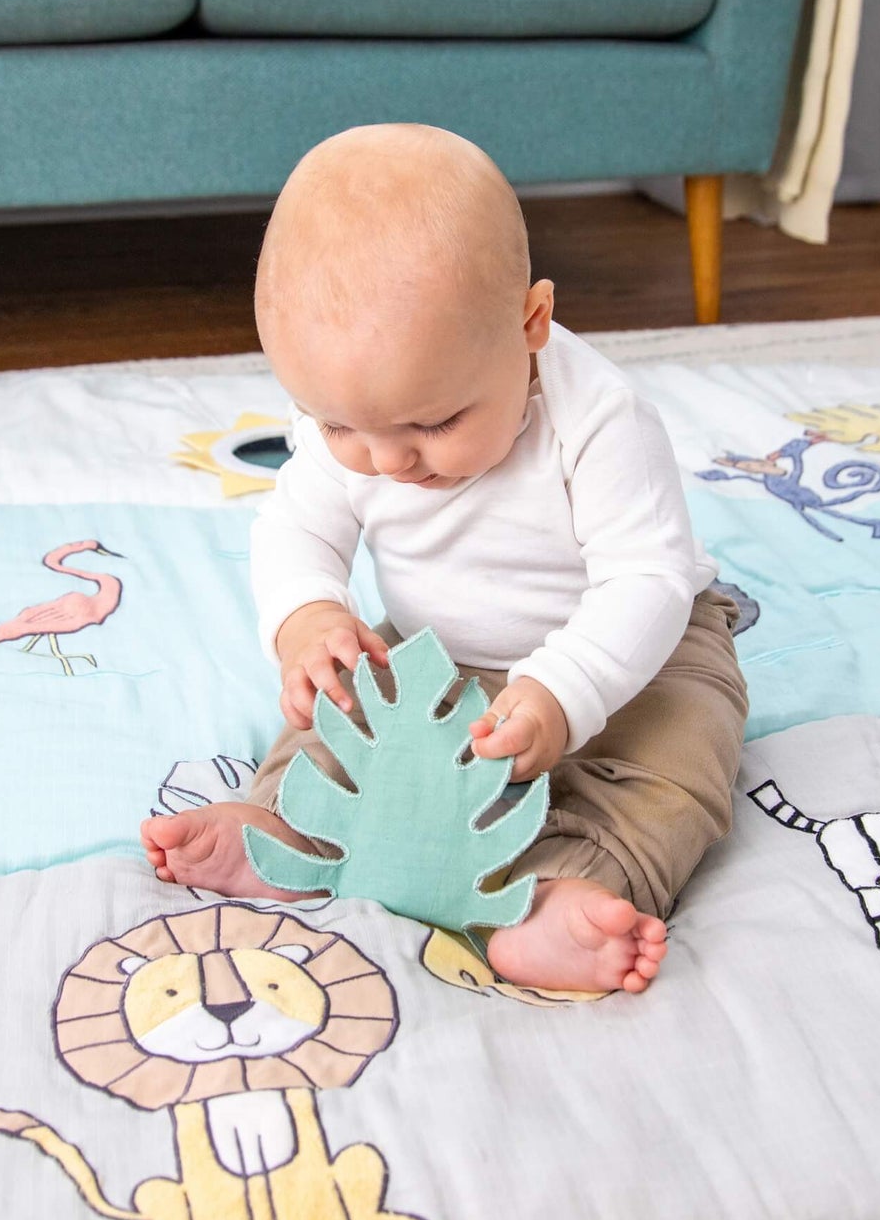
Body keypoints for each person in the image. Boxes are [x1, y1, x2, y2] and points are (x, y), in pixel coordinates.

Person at [141, 123, 747, 994]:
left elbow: (643, 580)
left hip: (634, 656)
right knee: (339, 706)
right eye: (340, 426)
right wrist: (310, 617)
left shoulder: (602, 420)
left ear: (530, 323)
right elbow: (294, 529)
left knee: (676, 765)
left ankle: (562, 892)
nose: (386, 461)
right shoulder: (360, 422)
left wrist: (565, 691)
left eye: (432, 424)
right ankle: (287, 832)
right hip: (435, 648)